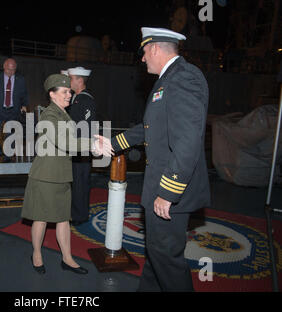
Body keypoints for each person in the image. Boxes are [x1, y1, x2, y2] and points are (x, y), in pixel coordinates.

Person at [95, 27, 210, 291]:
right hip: (160, 187)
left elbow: (188, 140)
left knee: (167, 259)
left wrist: (169, 191)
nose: (143, 58)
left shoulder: (184, 78)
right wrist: (112, 144)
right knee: (157, 255)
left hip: (170, 190)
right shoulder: (166, 80)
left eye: (145, 52)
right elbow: (147, 127)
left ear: (155, 48)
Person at [21, 74, 99, 275]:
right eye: (64, 92)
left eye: (70, 91)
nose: (69, 94)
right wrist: (92, 144)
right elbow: (65, 143)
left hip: (63, 174)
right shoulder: (50, 115)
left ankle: (67, 258)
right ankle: (36, 254)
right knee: (41, 218)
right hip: (46, 176)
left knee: (63, 218)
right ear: (52, 94)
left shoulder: (64, 114)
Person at [67, 67, 96, 225]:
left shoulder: (85, 100)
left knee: (80, 181)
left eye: (71, 78)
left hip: (82, 147)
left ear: (80, 80)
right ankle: (76, 211)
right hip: (75, 146)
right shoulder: (76, 98)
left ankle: (79, 216)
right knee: (76, 180)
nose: (69, 81)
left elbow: (86, 127)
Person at [0, 58, 29, 162]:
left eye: (13, 70)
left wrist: (24, 105)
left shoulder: (20, 79)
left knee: (10, 133)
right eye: (8, 69)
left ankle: (7, 156)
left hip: (13, 110)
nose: (10, 72)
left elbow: (24, 94)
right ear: (4, 67)